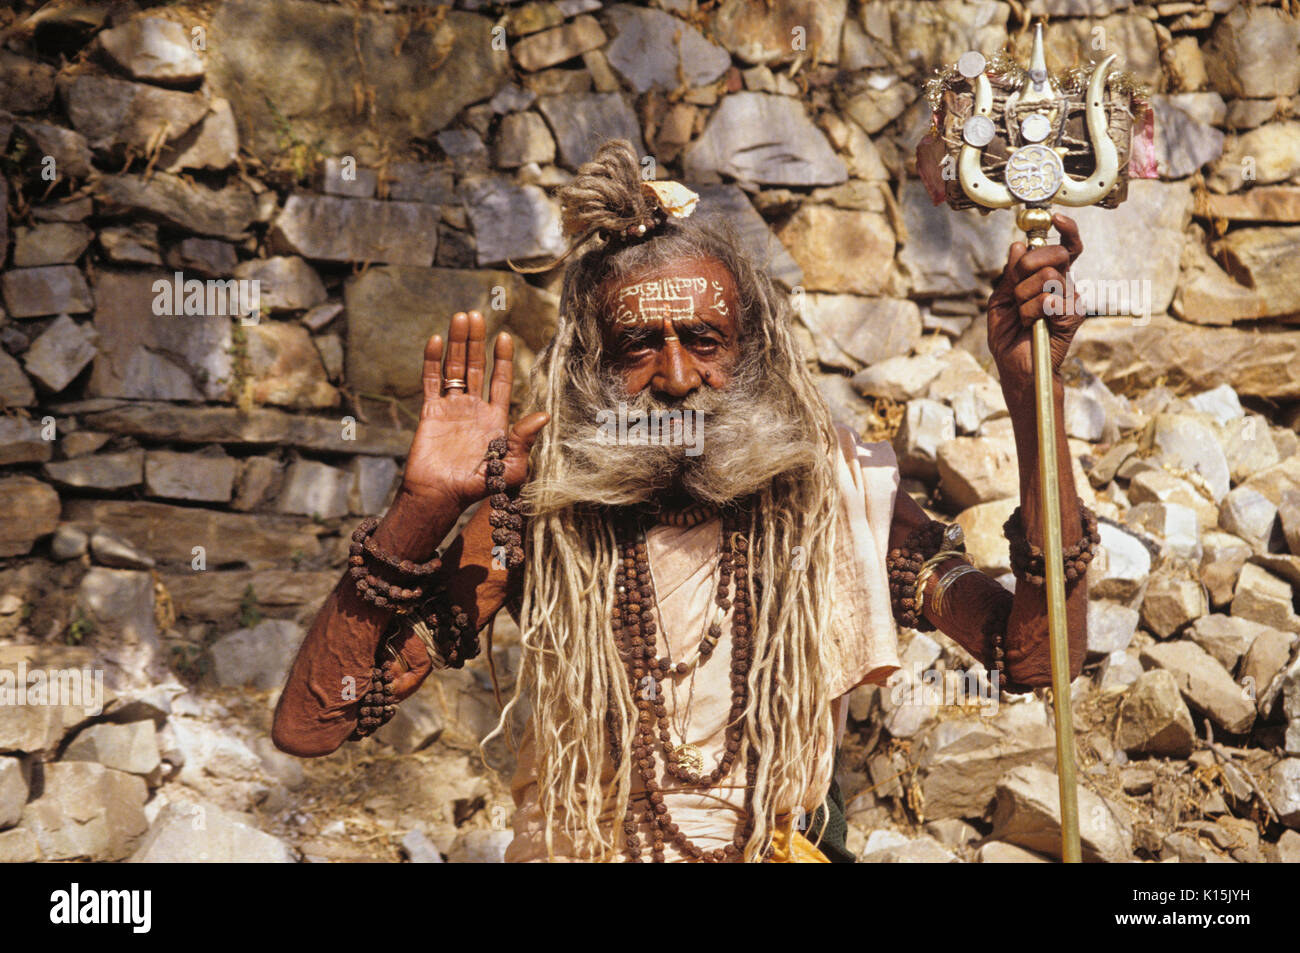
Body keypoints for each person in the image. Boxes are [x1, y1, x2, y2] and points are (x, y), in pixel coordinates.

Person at [272, 138, 1096, 863]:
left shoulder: (834, 492)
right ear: (593, 364)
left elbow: (1033, 659)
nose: (674, 377)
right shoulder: (542, 517)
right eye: (639, 346)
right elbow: (313, 727)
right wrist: (421, 508)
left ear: (753, 351)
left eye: (703, 340)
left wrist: (1034, 400)